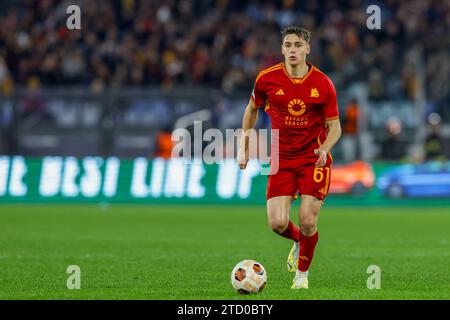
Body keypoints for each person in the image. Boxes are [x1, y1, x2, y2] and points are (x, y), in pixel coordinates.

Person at [237, 26, 342, 289]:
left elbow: (335, 126)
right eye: (287, 45)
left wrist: (325, 148)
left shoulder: (323, 83)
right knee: (277, 223)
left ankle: (302, 275)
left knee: (308, 219)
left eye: (297, 45)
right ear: (282, 49)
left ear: (307, 48)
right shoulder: (266, 79)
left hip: (312, 157)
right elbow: (252, 109)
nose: (292, 50)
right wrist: (244, 144)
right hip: (280, 157)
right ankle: (298, 241)